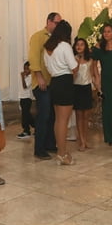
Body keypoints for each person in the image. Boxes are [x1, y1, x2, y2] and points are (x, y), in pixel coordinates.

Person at [44, 21, 77, 166]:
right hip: (65, 82)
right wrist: (77, 63)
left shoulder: (47, 47)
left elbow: (47, 67)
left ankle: (61, 152)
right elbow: (74, 67)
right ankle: (62, 154)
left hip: (54, 82)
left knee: (58, 120)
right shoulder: (64, 46)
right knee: (64, 120)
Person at [29, 12, 61, 160]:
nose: (58, 25)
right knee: (43, 115)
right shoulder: (37, 36)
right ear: (48, 21)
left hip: (52, 82)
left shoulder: (57, 39)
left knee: (52, 115)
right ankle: (39, 149)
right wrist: (39, 76)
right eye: (56, 22)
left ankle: (50, 143)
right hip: (40, 82)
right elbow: (33, 58)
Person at [73, 38, 94, 151]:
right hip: (77, 88)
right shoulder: (73, 59)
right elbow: (72, 75)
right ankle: (81, 141)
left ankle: (85, 140)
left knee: (86, 116)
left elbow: (93, 74)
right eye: (77, 44)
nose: (79, 47)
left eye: (82, 44)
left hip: (87, 87)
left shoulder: (90, 59)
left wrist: (97, 88)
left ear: (85, 46)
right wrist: (76, 64)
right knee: (79, 115)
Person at [17, 61, 34, 139]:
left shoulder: (31, 77)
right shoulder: (25, 76)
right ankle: (36, 126)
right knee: (27, 114)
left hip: (27, 98)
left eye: (27, 69)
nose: (25, 70)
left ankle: (26, 131)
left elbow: (25, 86)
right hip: (22, 97)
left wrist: (22, 77)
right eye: (24, 69)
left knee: (25, 115)